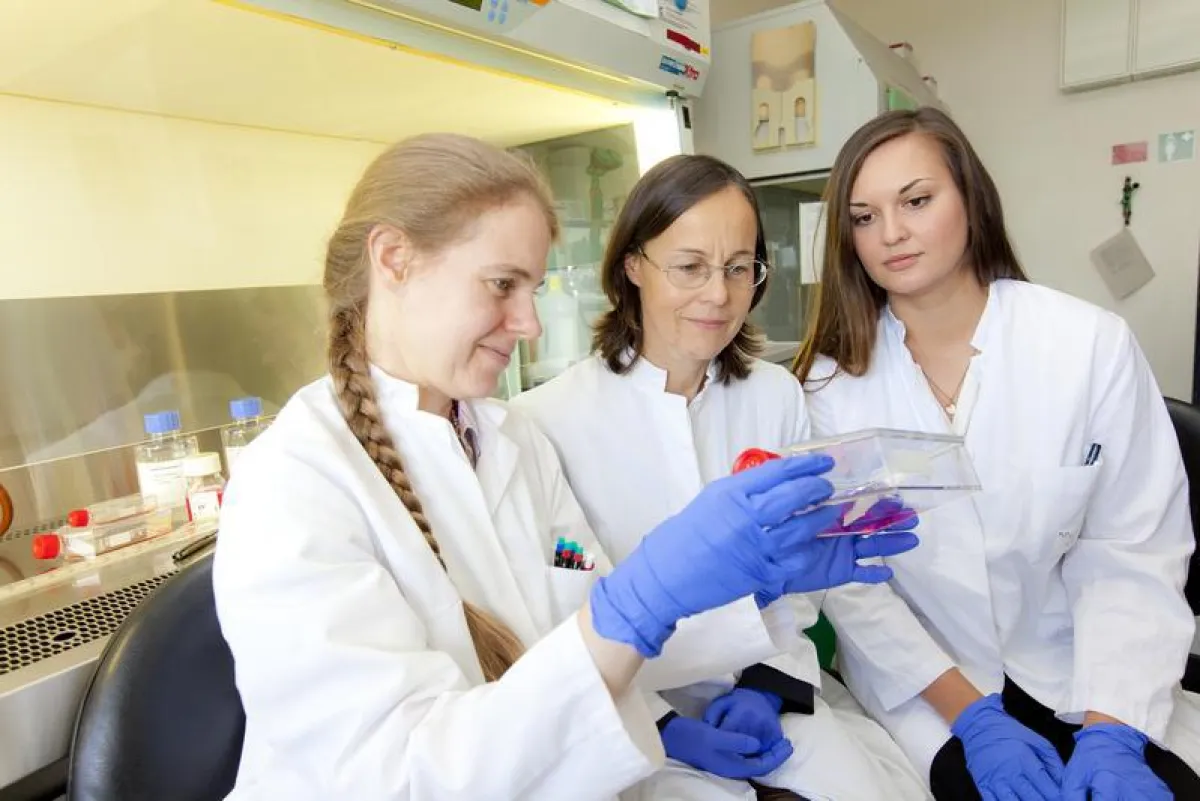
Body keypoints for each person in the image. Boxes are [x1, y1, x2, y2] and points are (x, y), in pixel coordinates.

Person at [211, 133, 914, 801]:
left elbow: (585, 607)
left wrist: (741, 586)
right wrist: (645, 594)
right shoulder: (293, 487)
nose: (530, 326)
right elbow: (404, 776)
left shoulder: (512, 443)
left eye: (533, 290)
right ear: (393, 258)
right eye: (500, 284)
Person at [794, 106, 1200, 800]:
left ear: (971, 201)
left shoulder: (1086, 347)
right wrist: (973, 715)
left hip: (1086, 669)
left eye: (916, 201)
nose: (891, 233)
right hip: (934, 685)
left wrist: (1112, 730)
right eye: (863, 217)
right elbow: (857, 587)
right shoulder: (831, 391)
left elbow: (1131, 551)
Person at [512, 154, 929, 801]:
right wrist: (664, 723)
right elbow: (562, 601)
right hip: (629, 714)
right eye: (689, 267)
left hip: (766, 688)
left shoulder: (773, 395)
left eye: (740, 268)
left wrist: (769, 686)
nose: (719, 293)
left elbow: (797, 576)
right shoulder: (545, 421)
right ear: (632, 265)